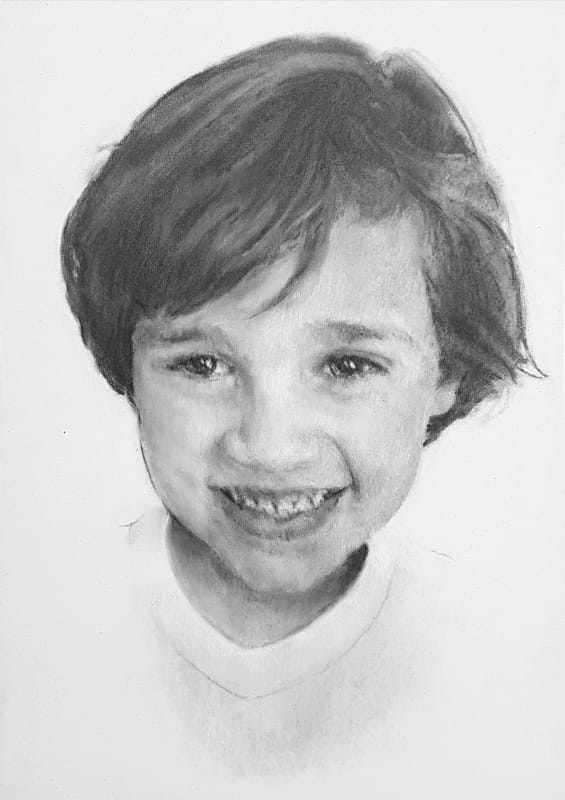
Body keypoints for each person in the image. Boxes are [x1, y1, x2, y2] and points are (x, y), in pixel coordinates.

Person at [60, 36, 546, 787]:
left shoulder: (510, 665)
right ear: (128, 362)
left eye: (347, 366)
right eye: (202, 364)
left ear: (446, 369)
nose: (270, 445)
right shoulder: (42, 616)